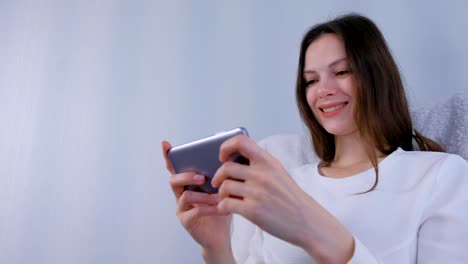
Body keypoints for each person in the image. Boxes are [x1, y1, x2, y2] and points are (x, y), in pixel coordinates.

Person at [162, 13, 468, 263]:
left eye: (343, 71)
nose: (323, 90)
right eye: (311, 80)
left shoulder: (440, 176)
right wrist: (216, 248)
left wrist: (310, 226)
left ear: (377, 75)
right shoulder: (283, 184)